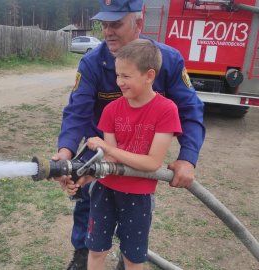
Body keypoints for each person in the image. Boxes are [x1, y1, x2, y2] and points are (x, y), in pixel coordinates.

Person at [52, 0, 206, 269]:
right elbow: (76, 113)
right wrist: (64, 154)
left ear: (138, 23)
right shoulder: (91, 63)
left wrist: (187, 158)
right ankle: (82, 255)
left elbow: (190, 110)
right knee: (87, 201)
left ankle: (129, 258)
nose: (108, 31)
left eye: (117, 24)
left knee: (134, 210)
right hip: (101, 143)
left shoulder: (166, 59)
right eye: (105, 24)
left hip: (140, 152)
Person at [65, 38, 182, 270]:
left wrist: (109, 148)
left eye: (126, 76)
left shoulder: (167, 111)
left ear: (149, 75)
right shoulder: (111, 110)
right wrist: (84, 178)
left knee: (133, 259)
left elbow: (152, 163)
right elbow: (110, 162)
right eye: (117, 75)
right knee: (96, 251)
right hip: (104, 192)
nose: (119, 82)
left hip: (138, 198)